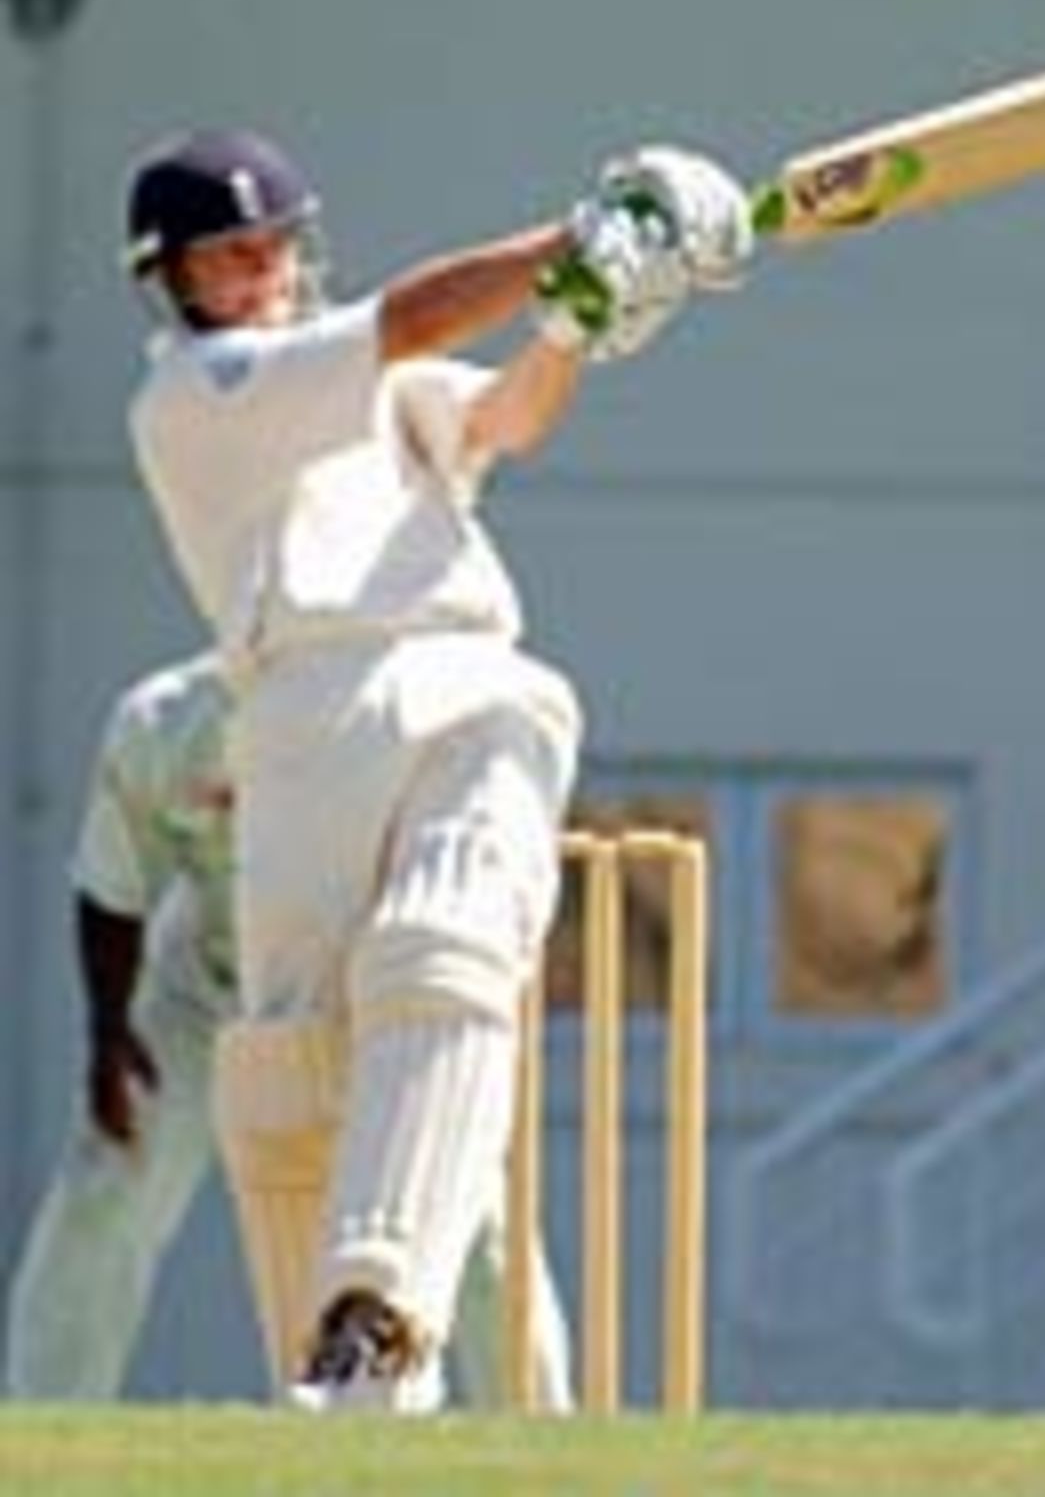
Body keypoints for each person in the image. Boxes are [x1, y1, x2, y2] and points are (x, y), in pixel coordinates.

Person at [119, 128, 752, 1410]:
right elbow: (403, 319)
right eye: (226, 257)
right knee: (289, 1075)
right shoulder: (198, 396)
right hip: (297, 716)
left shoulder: (374, 392)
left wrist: (575, 323)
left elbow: (504, 413)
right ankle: (346, 1407)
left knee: (443, 946)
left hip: (466, 677)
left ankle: (381, 1297)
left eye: (273, 247)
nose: (258, 272)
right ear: (173, 280)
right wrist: (579, 243)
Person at [4, 651, 575, 1410]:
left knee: (471, 1216)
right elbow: (113, 886)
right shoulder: (165, 720)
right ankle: (45, 1423)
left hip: (370, 992)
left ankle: (544, 1433)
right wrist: (109, 1033)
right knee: (112, 1178)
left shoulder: (406, 711)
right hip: (211, 983)